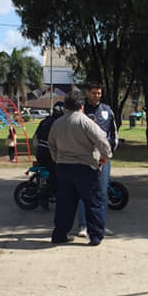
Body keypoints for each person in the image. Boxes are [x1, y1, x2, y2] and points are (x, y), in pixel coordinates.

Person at [48, 89, 112, 246]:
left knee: (64, 204)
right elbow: (102, 139)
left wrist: (57, 159)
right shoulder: (86, 122)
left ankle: (59, 234)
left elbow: (51, 145)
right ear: (82, 105)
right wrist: (105, 156)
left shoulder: (57, 123)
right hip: (85, 167)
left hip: (63, 167)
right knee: (93, 203)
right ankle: (95, 236)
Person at [75, 81, 119, 237]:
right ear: (87, 93)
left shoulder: (107, 110)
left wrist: (108, 154)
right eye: (94, 93)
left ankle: (100, 225)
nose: (96, 96)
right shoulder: (80, 111)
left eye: (99, 93)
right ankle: (83, 225)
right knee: (84, 192)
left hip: (103, 159)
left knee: (102, 193)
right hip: (85, 158)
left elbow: (113, 134)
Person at [32, 102, 65, 209]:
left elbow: (35, 140)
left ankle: (52, 193)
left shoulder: (45, 121)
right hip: (48, 154)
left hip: (41, 153)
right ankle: (44, 196)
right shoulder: (58, 123)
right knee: (56, 176)